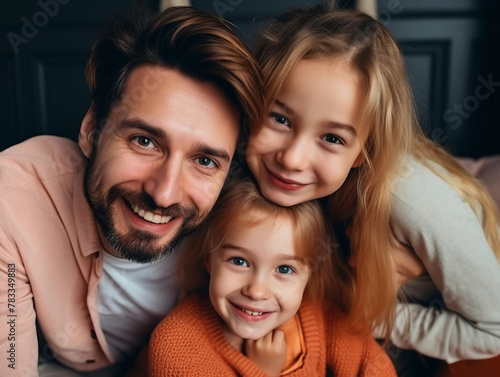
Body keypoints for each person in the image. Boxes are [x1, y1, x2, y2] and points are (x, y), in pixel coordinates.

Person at [0, 6, 264, 377]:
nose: (165, 194)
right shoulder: (12, 199)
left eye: (205, 161)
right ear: (93, 129)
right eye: (145, 141)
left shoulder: (250, 214)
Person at [244, 4, 500, 376]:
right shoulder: (242, 162)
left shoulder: (410, 202)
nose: (293, 159)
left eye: (332, 138)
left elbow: (493, 330)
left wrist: (369, 315)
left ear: (365, 150)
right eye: (279, 118)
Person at [148, 178, 397, 376]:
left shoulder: (319, 314)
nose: (257, 291)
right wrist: (264, 372)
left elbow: (372, 365)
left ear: (309, 274)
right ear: (208, 260)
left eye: (285, 269)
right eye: (239, 261)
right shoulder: (176, 346)